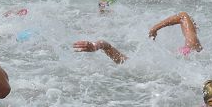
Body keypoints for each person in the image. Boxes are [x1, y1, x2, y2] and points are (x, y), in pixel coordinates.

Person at [73, 11, 202, 64]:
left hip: (166, 64)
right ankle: (101, 45)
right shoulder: (193, 46)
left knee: (127, 62)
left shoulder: (188, 46)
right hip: (181, 61)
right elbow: (184, 16)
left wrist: (154, 28)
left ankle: (101, 45)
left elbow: (183, 16)